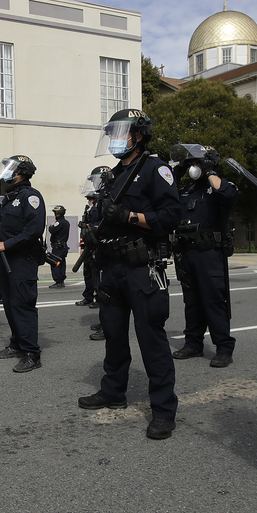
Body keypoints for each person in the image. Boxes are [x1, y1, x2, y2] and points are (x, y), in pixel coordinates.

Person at [77, 109, 182, 440]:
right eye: (112, 134)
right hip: (112, 267)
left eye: (120, 133)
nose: (114, 140)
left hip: (141, 267)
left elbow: (170, 216)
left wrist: (130, 216)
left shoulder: (155, 169)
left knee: (151, 339)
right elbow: (104, 216)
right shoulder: (112, 176)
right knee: (113, 334)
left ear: (138, 135)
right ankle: (113, 391)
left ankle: (163, 410)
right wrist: (95, 231)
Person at [169, 143, 238, 368]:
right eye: (190, 163)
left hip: (209, 253)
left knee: (213, 300)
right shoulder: (186, 190)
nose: (193, 167)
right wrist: (176, 174)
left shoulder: (217, 185)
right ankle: (193, 343)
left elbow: (227, 195)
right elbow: (164, 197)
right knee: (191, 301)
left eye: (196, 163)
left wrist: (209, 171)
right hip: (187, 252)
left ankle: (224, 348)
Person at [0, 155, 45, 372]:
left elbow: (33, 230)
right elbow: (11, 225)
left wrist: (7, 244)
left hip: (22, 260)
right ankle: (17, 344)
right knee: (10, 305)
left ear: (21, 173)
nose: (7, 173)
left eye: (11, 169)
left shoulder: (31, 196)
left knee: (23, 306)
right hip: (5, 260)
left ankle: (32, 354)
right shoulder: (10, 198)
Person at [75, 167, 107, 308]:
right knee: (88, 272)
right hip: (90, 243)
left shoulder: (105, 200)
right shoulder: (92, 207)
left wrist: (93, 228)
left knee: (98, 274)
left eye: (90, 199)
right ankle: (88, 296)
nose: (89, 201)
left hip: (101, 244)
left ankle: (99, 298)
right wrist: (83, 245)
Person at [47, 205, 69, 288]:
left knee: (55, 263)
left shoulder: (58, 223)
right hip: (63, 246)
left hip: (57, 247)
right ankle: (61, 280)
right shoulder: (66, 222)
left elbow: (52, 230)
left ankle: (58, 281)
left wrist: (51, 226)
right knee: (62, 263)